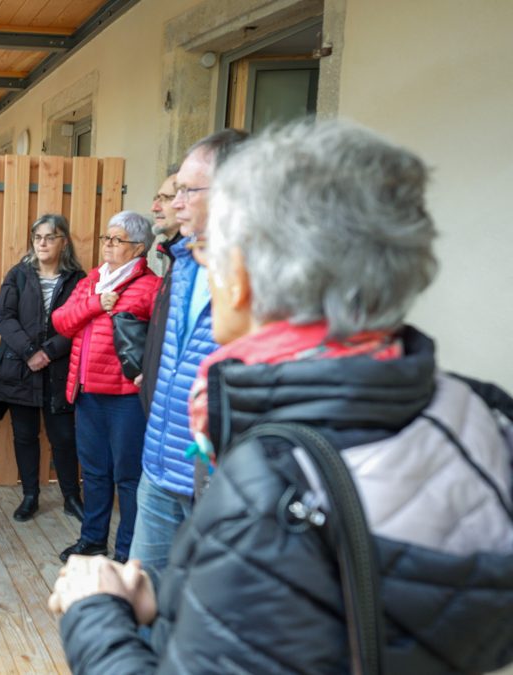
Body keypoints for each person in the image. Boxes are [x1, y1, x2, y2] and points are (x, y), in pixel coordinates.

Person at [50, 120, 513, 674]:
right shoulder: (483, 414)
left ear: (239, 275)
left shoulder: (270, 488)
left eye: (206, 247)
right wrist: (175, 606)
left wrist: (93, 613)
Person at [129, 128, 249, 575]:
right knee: (146, 607)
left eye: (186, 191)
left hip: (216, 487)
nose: (174, 203)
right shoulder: (182, 261)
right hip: (159, 469)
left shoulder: (265, 276)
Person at [52, 211, 160, 562]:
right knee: (95, 474)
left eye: (117, 240)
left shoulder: (150, 287)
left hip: (126, 398)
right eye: (106, 239)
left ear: (138, 249)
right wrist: (97, 303)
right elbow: (62, 322)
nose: (108, 246)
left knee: (127, 477)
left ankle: (128, 551)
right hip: (87, 394)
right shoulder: (93, 281)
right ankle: (93, 539)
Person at [0, 214, 85, 522]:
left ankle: (71, 496)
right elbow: (4, 318)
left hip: (60, 371)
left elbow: (80, 323)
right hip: (21, 369)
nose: (42, 243)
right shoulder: (18, 274)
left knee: (64, 437)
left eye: (50, 237)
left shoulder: (78, 279)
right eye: (37, 237)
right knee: (24, 435)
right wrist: (31, 352)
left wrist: (48, 352)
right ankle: (30, 496)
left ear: (64, 242)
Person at [145, 167, 180, 277]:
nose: (154, 208)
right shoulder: (176, 254)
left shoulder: (201, 258)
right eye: (157, 198)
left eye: (166, 198)